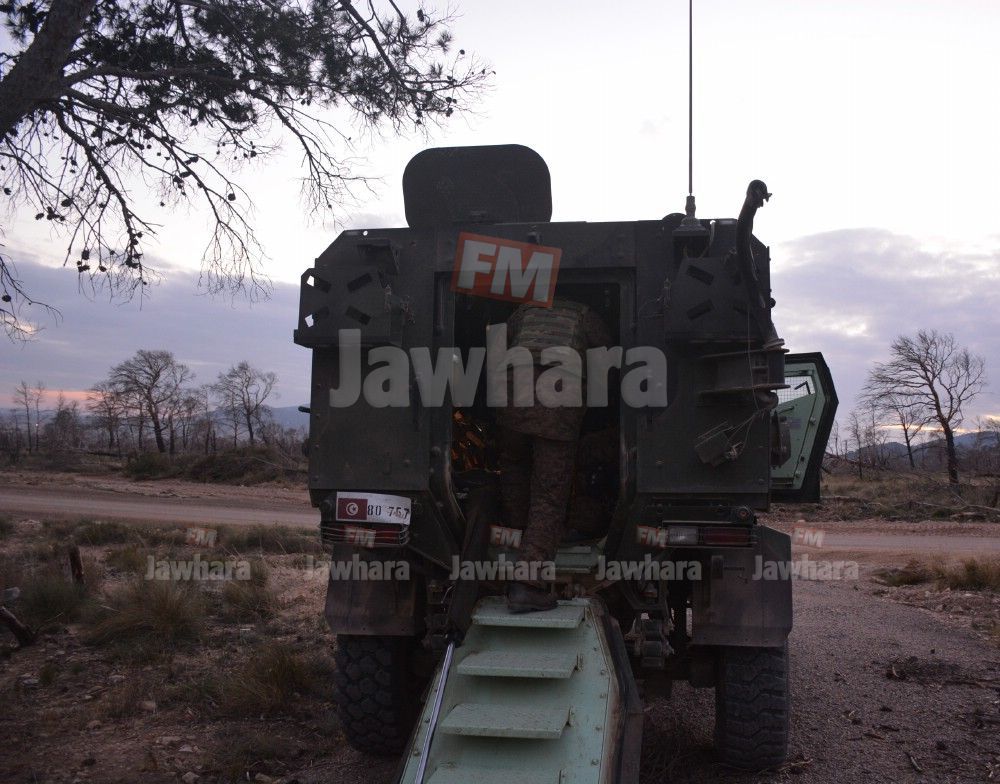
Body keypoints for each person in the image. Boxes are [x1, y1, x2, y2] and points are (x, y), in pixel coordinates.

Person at [496, 298, 612, 612]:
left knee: (513, 466)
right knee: (549, 493)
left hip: (512, 394)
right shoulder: (586, 314)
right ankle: (528, 583)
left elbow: (498, 341)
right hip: (557, 402)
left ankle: (517, 539)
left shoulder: (522, 312)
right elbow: (608, 354)